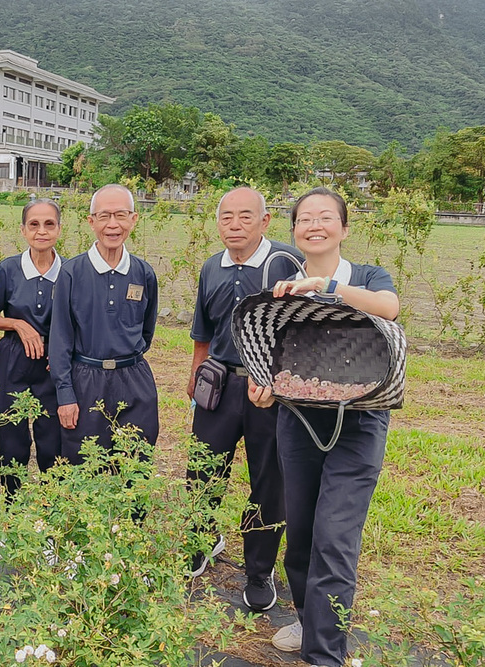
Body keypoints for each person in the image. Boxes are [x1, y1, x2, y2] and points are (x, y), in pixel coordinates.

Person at [249, 187, 399, 667]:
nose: (314, 224)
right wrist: (265, 387)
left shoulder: (368, 276)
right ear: (293, 230)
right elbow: (273, 357)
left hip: (359, 424)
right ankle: (308, 617)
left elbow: (388, 308)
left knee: (335, 538)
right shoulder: (283, 288)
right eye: (304, 218)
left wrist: (326, 288)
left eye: (325, 216)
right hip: (298, 422)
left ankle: (324, 654)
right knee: (304, 533)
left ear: (344, 228)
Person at [185, 186, 301, 611]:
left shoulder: (285, 264)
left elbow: (302, 331)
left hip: (269, 390)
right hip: (218, 383)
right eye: (226, 217)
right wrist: (195, 374)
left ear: (265, 221)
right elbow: (202, 330)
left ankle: (259, 569)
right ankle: (201, 542)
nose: (234, 224)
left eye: (245, 216)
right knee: (203, 469)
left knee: (268, 480)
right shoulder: (211, 267)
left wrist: (280, 379)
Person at [48, 184, 159, 463]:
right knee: (85, 466)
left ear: (134, 219)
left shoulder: (143, 273)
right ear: (91, 221)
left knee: (135, 462)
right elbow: (60, 338)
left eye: (121, 215)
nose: (113, 225)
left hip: (133, 378)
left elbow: (146, 330)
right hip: (85, 379)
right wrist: (65, 394)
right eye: (104, 216)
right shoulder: (71, 273)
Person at [0, 198, 63, 499]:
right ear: (23, 230)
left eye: (49, 224)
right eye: (34, 224)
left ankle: (49, 512)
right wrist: (17, 324)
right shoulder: (10, 268)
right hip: (12, 363)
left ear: (59, 228)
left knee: (51, 444)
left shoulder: (69, 272)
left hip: (51, 367)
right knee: (12, 443)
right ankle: (13, 510)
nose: (41, 231)